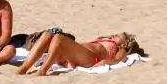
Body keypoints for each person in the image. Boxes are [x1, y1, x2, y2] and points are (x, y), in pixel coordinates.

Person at [15, 30, 143, 76]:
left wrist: (105, 62)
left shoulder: (121, 49)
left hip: (89, 59)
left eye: (118, 37)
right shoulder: (104, 39)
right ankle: (24, 67)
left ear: (124, 43)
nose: (115, 35)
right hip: (75, 56)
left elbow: (119, 60)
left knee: (59, 37)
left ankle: (43, 70)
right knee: (48, 34)